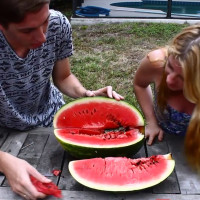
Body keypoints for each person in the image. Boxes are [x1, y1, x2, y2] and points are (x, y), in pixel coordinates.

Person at [0, 0, 124, 199]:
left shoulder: (58, 24)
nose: (42, 37)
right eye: (27, 30)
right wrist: (4, 162)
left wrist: (87, 95)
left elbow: (63, 77)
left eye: (45, 21)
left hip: (51, 121)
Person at [133, 24, 200, 171]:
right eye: (169, 67)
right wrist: (151, 121)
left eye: (182, 78)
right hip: (164, 140)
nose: (169, 80)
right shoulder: (156, 63)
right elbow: (140, 85)